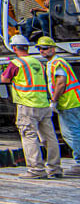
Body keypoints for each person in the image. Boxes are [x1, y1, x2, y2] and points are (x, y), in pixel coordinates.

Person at [0, 34, 61, 178]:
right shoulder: (38, 62)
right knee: (50, 137)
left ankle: (36, 170)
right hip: (43, 103)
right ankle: (55, 168)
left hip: (27, 104)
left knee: (29, 136)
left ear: (14, 48)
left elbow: (4, 79)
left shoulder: (16, 63)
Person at [37, 36, 80, 176]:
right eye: (40, 49)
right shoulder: (54, 63)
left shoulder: (57, 63)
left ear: (53, 48)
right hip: (73, 100)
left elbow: (61, 82)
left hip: (69, 102)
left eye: (45, 48)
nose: (42, 51)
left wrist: (54, 101)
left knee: (71, 133)